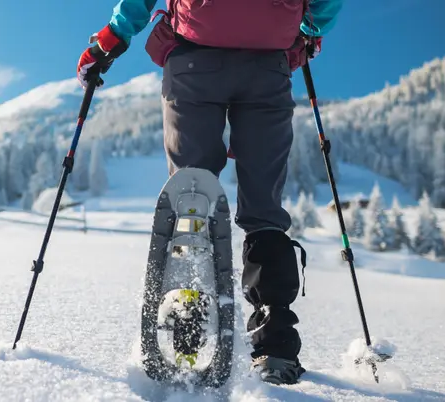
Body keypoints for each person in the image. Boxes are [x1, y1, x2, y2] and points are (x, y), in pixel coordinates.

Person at [76, 0, 343, 385]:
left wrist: (112, 38)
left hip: (193, 60)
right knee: (265, 212)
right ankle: (274, 345)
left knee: (192, 198)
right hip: (268, 64)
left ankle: (188, 329)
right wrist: (311, 30)